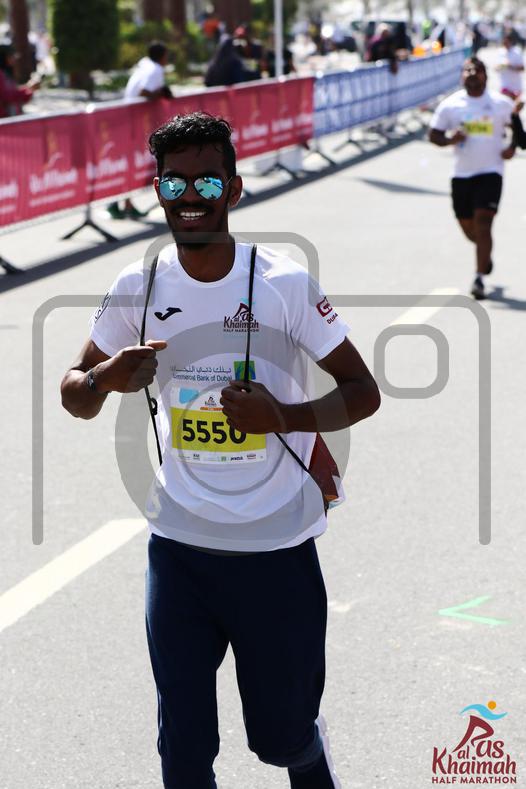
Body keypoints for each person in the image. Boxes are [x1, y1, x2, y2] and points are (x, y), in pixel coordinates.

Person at [60, 111, 380, 789]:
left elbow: (363, 390)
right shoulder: (139, 286)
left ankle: (306, 745)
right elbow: (75, 395)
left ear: (233, 189)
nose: (190, 197)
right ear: (157, 191)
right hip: (180, 548)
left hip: (276, 551)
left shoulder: (284, 284)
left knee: (284, 736)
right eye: (174, 183)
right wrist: (103, 378)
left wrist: (281, 416)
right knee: (183, 746)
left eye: (206, 181)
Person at [429, 57, 515, 300]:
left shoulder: (501, 103)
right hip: (462, 174)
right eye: (467, 70)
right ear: (461, 76)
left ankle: (479, 278)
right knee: (469, 228)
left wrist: (511, 148)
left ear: (485, 75)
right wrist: (450, 140)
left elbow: (519, 130)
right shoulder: (451, 105)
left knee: (484, 223)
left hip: (491, 171)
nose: (472, 74)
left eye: (477, 70)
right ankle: (484, 255)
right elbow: (434, 134)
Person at [107, 41, 172, 220]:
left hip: (129, 120)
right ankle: (115, 203)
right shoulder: (155, 69)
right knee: (131, 162)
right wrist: (160, 94)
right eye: (166, 55)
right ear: (162, 56)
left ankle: (124, 204)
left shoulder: (145, 66)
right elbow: (144, 91)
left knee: (130, 162)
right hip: (134, 122)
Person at [0, 44, 39, 117]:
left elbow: (18, 98)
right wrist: (27, 88)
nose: (14, 59)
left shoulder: (7, 73)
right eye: (11, 56)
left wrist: (30, 90)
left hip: (13, 116)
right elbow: (6, 96)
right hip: (4, 118)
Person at [496, 33, 524, 100]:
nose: (505, 43)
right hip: (504, 85)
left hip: (516, 86)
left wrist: (511, 66)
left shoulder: (517, 52)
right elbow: (496, 67)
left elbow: (522, 68)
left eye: (506, 42)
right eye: (504, 42)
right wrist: (500, 67)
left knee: (515, 104)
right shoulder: (500, 52)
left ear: (510, 42)